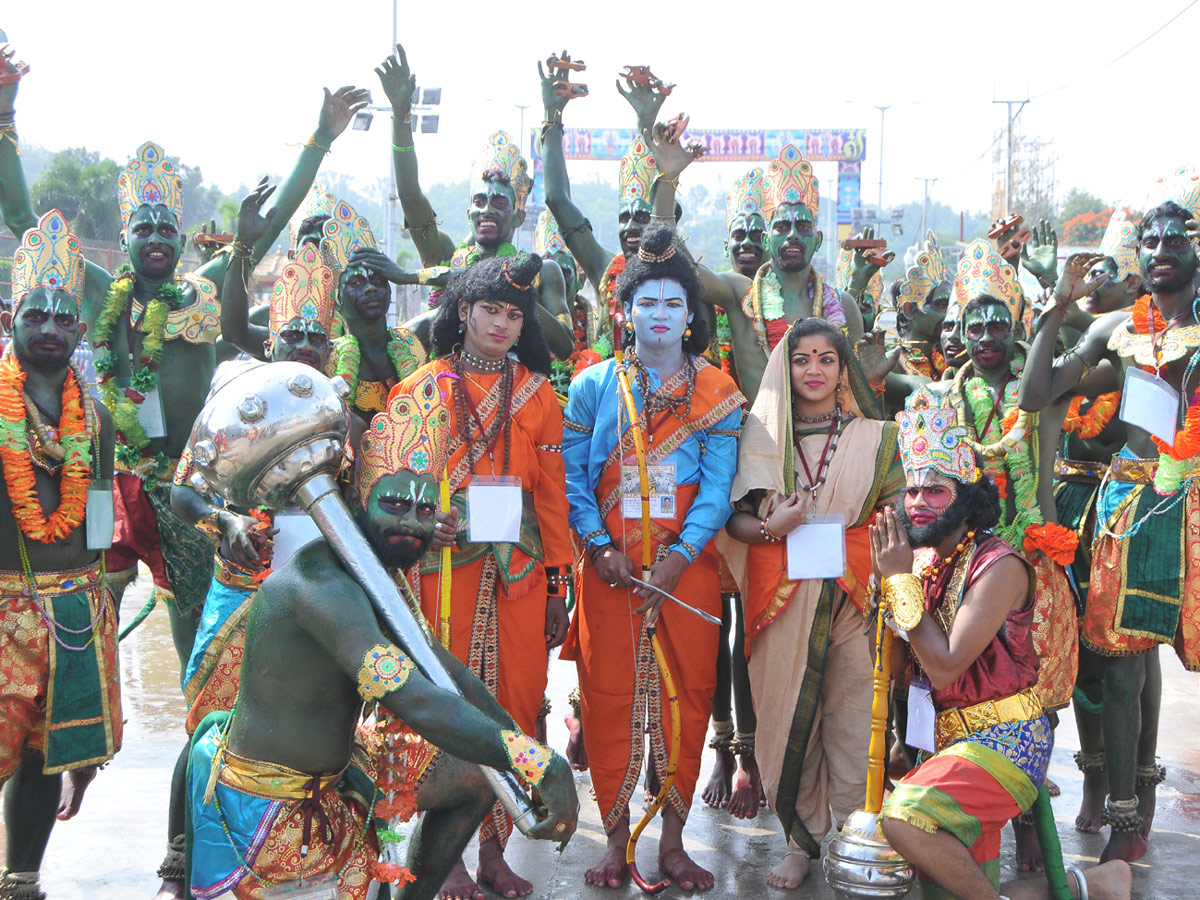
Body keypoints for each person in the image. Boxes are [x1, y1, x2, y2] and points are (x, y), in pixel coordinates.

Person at [0, 50, 369, 676]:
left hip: (190, 486)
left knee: (198, 630)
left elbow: (269, 222)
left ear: (181, 236)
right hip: (106, 479)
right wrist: (6, 109)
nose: (156, 234)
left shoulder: (206, 287)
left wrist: (319, 138)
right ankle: (75, 755)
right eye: (142, 225)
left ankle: (194, 750)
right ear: (126, 239)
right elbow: (22, 220)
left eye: (167, 224)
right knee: (83, 620)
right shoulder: (92, 292)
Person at [186, 372, 578, 900]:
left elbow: (448, 673)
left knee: (472, 774)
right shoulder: (318, 584)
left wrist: (521, 750)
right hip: (271, 806)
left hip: (340, 774)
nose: (412, 523)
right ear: (355, 503)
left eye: (423, 509)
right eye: (394, 504)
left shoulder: (376, 575)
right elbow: (414, 697)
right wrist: (537, 760)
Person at [873, 385, 1132, 900]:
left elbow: (945, 666)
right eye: (912, 492)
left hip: (1008, 742)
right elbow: (897, 670)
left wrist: (899, 584)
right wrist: (886, 589)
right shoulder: (924, 565)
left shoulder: (1000, 565)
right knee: (944, 887)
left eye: (935, 491)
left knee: (902, 820)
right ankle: (1095, 884)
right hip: (947, 742)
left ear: (966, 500)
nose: (918, 503)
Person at [1020, 180, 1200, 864]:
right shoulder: (1114, 330)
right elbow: (1039, 393)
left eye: (1173, 240)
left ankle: (1135, 796)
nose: (1159, 251)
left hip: (1193, 503)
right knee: (1117, 663)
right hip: (1131, 511)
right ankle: (1126, 816)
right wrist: (1053, 314)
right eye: (1149, 241)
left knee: (1139, 665)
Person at [561, 224, 745, 891]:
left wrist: (683, 553)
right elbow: (575, 480)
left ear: (691, 314)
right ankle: (614, 844)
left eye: (673, 303)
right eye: (648, 303)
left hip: (686, 573)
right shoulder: (592, 386)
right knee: (611, 700)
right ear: (625, 311)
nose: (661, 315)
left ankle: (671, 842)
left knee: (689, 700)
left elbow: (719, 488)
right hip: (608, 571)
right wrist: (599, 546)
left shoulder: (716, 390)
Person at [391, 252, 572, 900]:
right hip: (443, 572)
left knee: (515, 709)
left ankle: (494, 850)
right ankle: (449, 861)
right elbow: (392, 490)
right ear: (463, 311)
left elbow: (552, 495)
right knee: (444, 711)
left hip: (518, 577)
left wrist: (559, 586)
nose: (500, 322)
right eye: (489, 309)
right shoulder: (420, 390)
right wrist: (420, 524)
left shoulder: (537, 393)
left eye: (513, 313)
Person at [720, 318, 904, 889]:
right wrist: (774, 526)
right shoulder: (762, 437)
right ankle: (799, 842)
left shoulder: (875, 438)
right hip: (782, 596)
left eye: (827, 359)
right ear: (786, 367)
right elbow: (735, 521)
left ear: (842, 369)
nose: (815, 370)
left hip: (854, 596)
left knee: (853, 720)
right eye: (802, 360)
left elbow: (897, 511)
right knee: (785, 718)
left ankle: (851, 836)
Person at [0, 211, 119, 900]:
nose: (49, 327)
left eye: (62, 317)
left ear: (78, 330)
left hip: (75, 606)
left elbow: (98, 517)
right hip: (4, 604)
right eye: (35, 314)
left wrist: (103, 604)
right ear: (13, 319)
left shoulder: (95, 420)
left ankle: (22, 879)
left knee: (48, 757)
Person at [377, 45, 572, 359]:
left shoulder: (543, 272)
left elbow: (564, 345)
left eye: (499, 201)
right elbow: (411, 196)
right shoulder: (445, 256)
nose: (488, 209)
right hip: (449, 393)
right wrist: (401, 116)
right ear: (469, 212)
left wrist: (515, 290)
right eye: (480, 200)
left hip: (515, 395)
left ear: (520, 216)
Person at [538, 51, 674, 358]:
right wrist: (552, 116)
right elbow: (557, 199)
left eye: (641, 216)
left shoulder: (686, 274)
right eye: (624, 217)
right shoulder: (605, 267)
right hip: (613, 398)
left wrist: (647, 122)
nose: (630, 226)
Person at [318, 198, 427, 421]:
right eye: (356, 283)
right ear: (337, 299)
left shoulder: (417, 339)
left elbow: (482, 284)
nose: (370, 288)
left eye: (378, 279)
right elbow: (236, 333)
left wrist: (409, 276)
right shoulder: (324, 357)